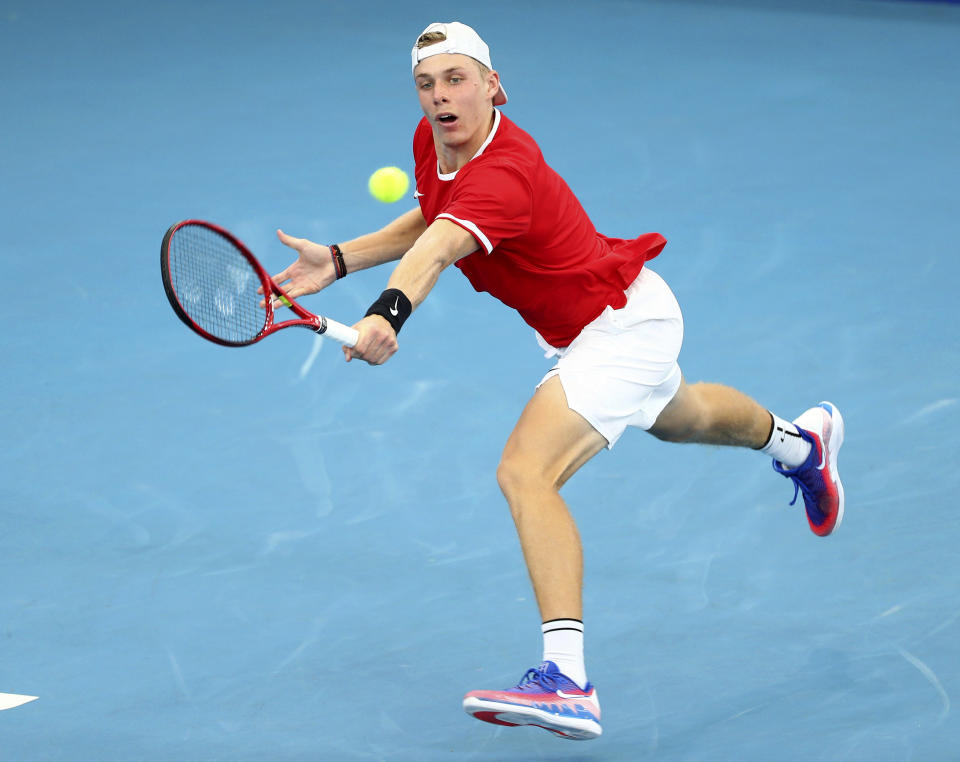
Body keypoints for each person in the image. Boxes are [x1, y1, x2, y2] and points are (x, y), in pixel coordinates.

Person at [268, 21, 845, 741]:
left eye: (456, 80)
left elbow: (444, 244)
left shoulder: (505, 170)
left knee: (525, 472)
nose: (441, 98)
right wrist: (339, 258)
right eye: (426, 84)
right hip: (601, 321)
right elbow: (434, 213)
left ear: (492, 85)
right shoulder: (434, 145)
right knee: (683, 415)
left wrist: (389, 313)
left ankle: (567, 680)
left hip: (618, 326)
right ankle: (800, 447)